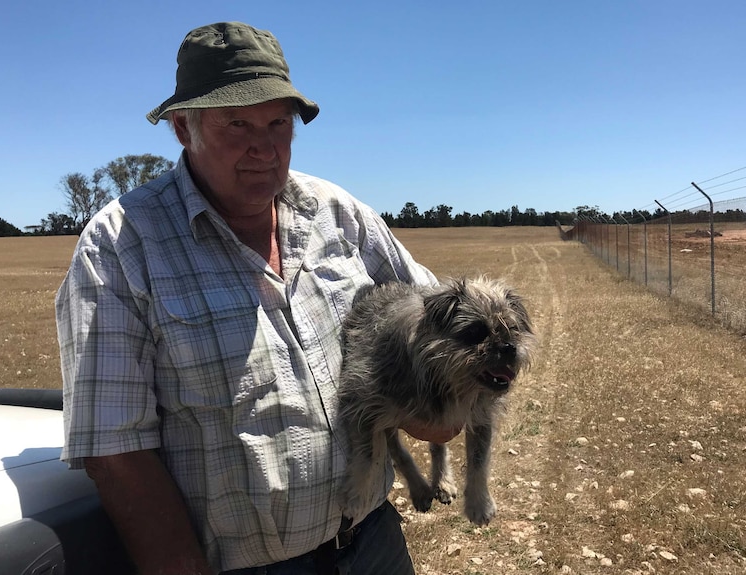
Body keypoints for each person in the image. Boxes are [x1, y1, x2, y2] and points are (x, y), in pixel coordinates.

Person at [56, 21, 457, 575]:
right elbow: (117, 453)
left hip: (373, 542)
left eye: (278, 123)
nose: (264, 148)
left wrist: (435, 400)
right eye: (236, 123)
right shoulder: (123, 245)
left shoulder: (337, 213)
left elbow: (436, 321)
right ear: (181, 127)